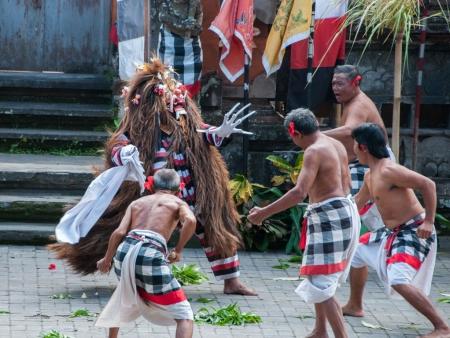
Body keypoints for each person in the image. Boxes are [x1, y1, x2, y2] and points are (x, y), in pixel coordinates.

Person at [49, 58, 257, 296]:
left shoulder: (186, 123)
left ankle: (231, 281)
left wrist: (221, 133)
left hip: (192, 193)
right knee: (137, 234)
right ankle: (136, 277)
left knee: (216, 228)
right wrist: (124, 153)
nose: (165, 109)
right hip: (152, 196)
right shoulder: (138, 128)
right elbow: (117, 145)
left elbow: (205, 135)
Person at [248, 108, 360, 338]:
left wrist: (264, 213)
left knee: (321, 283)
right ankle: (320, 330)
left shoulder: (313, 151)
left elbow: (299, 193)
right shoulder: (334, 143)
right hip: (343, 211)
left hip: (330, 217)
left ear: (296, 133)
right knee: (318, 276)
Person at [344, 123, 450, 338]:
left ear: (363, 147)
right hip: (392, 233)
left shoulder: (390, 170)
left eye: (354, 144)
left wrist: (429, 221)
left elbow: (427, 184)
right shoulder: (370, 175)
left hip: (415, 230)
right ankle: (355, 306)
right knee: (356, 251)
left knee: (399, 279)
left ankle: (442, 327)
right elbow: (356, 203)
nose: (352, 148)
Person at [95, 169, 196, 338]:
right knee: (184, 315)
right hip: (150, 252)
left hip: (125, 251)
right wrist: (178, 250)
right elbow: (191, 221)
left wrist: (107, 259)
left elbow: (119, 232)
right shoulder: (177, 203)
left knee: (123, 294)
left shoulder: (137, 203)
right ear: (179, 190)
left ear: (151, 187)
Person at [324, 64, 390, 195]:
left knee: (361, 211)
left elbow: (350, 130)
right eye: (333, 84)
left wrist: (317, 135)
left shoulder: (358, 104)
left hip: (369, 163)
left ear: (356, 83)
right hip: (358, 164)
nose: (335, 88)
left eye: (340, 84)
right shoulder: (350, 101)